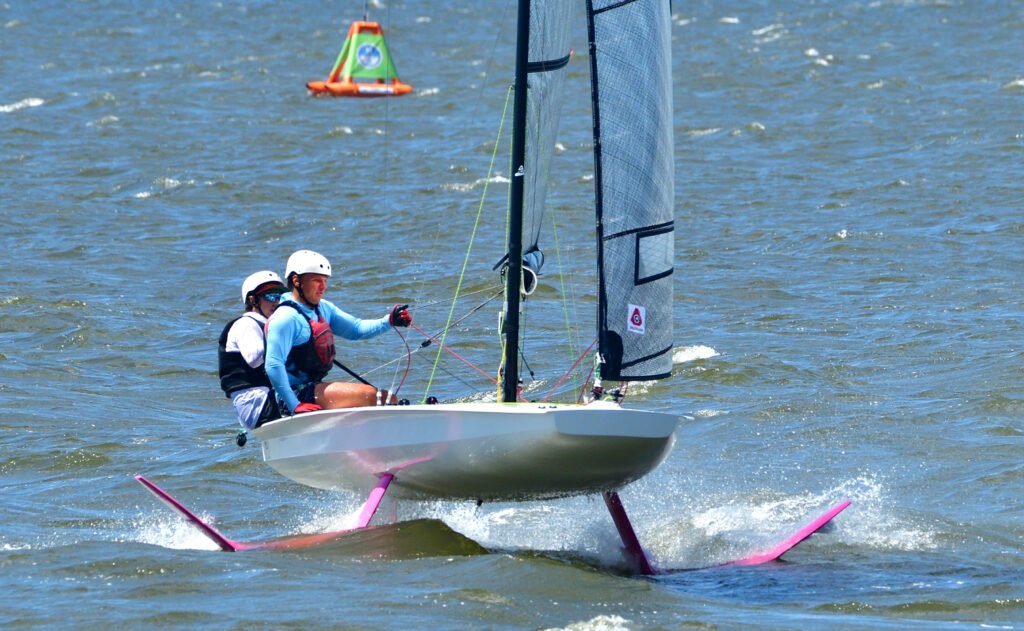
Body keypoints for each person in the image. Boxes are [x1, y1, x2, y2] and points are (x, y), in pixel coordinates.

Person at [264, 249, 412, 415]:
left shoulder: (323, 308)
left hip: (313, 389)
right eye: (316, 280)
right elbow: (273, 364)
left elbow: (356, 329)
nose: (323, 287)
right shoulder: (285, 318)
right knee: (375, 396)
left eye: (325, 280)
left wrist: (390, 320)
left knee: (387, 399)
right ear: (296, 280)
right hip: (291, 397)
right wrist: (294, 404)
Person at [218, 271, 288, 429]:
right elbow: (255, 359)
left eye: (280, 297)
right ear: (252, 300)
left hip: (268, 397)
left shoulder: (269, 326)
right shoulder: (246, 324)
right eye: (270, 296)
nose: (276, 302)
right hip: (255, 402)